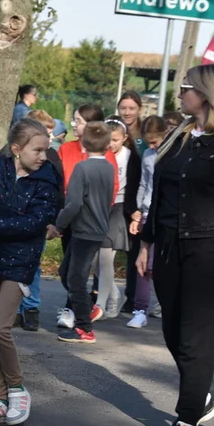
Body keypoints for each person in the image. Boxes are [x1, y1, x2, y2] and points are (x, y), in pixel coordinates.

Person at [137, 64, 214, 426]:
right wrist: (145, 245)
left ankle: (186, 423)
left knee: (198, 341)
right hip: (169, 248)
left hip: (211, 253)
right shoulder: (177, 138)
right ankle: (200, 398)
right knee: (174, 333)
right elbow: (158, 198)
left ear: (206, 93)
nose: (180, 94)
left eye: (186, 87)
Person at [0, 119, 58, 424]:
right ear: (17, 149)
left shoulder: (46, 182)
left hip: (19, 264)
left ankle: (18, 390)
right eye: (37, 149)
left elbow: (33, 223)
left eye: (45, 149)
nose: (43, 156)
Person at [55, 104, 119, 329]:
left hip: (83, 224)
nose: (74, 124)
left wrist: (58, 225)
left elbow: (77, 201)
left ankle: (82, 320)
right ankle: (83, 307)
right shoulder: (69, 150)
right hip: (79, 222)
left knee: (76, 276)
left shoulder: (88, 166)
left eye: (79, 121)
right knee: (69, 272)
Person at [6, 110, 63, 332]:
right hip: (14, 221)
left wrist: (53, 221)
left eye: (48, 132)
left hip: (37, 222)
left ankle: (31, 308)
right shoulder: (8, 160)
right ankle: (17, 310)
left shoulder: (51, 159)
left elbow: (57, 193)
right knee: (13, 266)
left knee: (33, 266)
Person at [92, 118, 140, 322]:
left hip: (120, 207)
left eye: (115, 140)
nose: (111, 144)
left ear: (125, 139)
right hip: (101, 206)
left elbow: (137, 183)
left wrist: (134, 212)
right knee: (94, 260)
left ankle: (101, 304)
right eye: (108, 139)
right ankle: (113, 292)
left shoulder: (130, 158)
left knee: (105, 256)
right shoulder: (100, 155)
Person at [127, 115, 170, 328]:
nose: (152, 146)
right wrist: (138, 209)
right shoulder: (147, 156)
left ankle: (167, 305)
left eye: (155, 142)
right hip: (147, 211)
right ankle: (140, 309)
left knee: (161, 264)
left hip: (166, 214)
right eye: (148, 142)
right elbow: (144, 184)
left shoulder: (173, 155)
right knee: (143, 263)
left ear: (165, 135)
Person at [118, 91, 145, 310]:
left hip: (137, 198)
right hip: (117, 198)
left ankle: (133, 297)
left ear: (139, 110)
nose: (127, 112)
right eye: (123, 108)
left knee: (135, 251)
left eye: (131, 108)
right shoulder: (113, 129)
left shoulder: (145, 134)